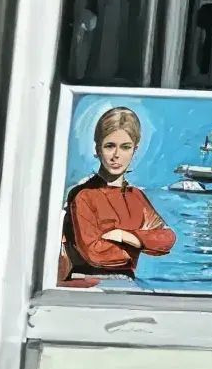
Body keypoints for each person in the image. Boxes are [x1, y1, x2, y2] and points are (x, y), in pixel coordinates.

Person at [58, 99, 173, 285]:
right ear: (97, 149)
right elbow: (94, 252)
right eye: (110, 146)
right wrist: (141, 245)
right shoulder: (83, 195)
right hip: (87, 281)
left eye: (125, 147)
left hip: (125, 281)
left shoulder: (135, 196)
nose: (116, 155)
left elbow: (167, 238)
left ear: (134, 150)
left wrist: (126, 236)